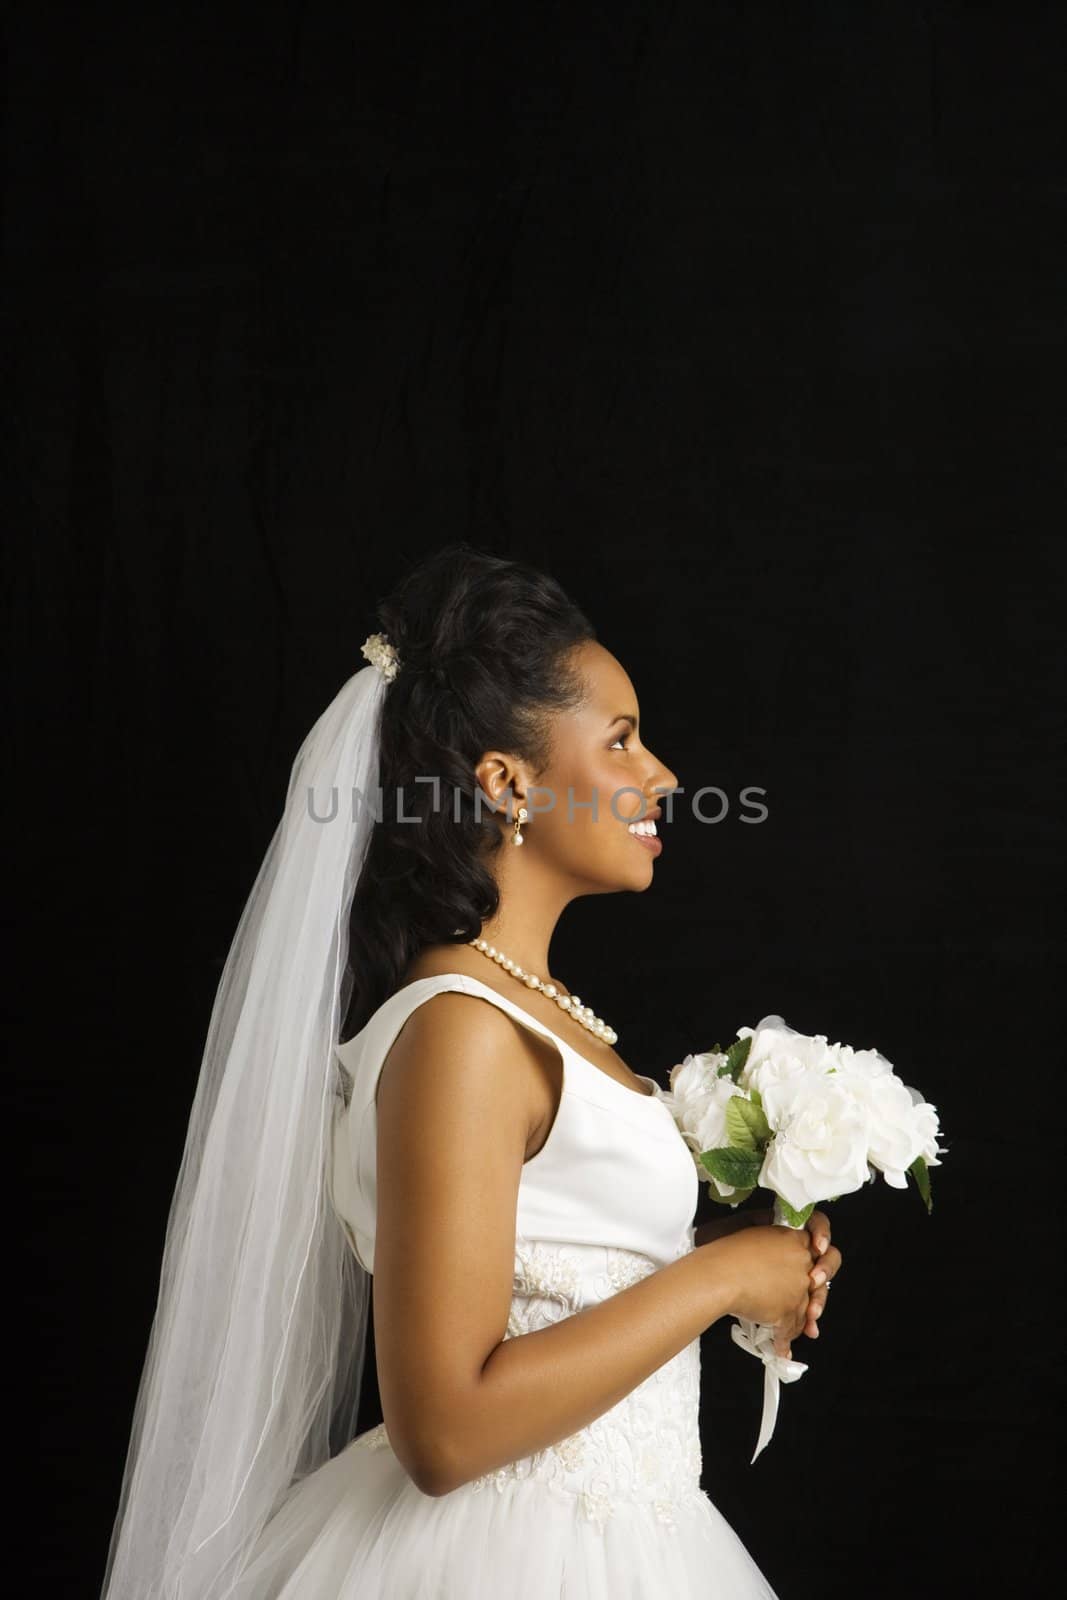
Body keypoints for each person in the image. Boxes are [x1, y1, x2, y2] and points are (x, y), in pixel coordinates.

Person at [101, 543, 840, 1598]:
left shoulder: (527, 1012)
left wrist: (740, 1260)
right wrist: (714, 1278)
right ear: (507, 783)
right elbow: (443, 1430)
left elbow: (543, 1262)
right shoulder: (462, 1029)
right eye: (621, 741)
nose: (664, 776)